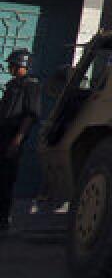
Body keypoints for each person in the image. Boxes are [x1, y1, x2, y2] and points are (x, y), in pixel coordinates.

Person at [0, 48, 42, 235]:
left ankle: (3, 220)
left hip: (12, 138)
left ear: (21, 66)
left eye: (13, 65)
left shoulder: (30, 86)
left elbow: (30, 116)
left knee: (5, 181)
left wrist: (17, 141)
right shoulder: (12, 85)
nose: (10, 68)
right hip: (2, 136)